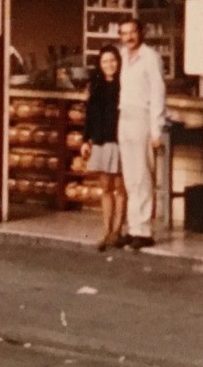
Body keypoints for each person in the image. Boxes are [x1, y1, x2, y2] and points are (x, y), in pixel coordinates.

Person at [116, 16, 167, 250]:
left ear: (141, 32)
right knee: (130, 177)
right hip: (124, 117)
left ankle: (144, 229)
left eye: (132, 32)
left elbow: (158, 93)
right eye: (124, 33)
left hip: (142, 118)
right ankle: (133, 227)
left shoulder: (150, 57)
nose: (129, 37)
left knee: (143, 175)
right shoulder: (122, 56)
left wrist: (156, 130)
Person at [81, 45, 126, 251]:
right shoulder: (95, 85)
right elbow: (89, 115)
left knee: (120, 187)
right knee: (105, 188)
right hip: (100, 141)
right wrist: (85, 140)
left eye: (113, 60)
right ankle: (106, 231)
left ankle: (117, 231)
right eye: (105, 61)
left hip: (120, 140)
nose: (110, 65)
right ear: (100, 64)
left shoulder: (125, 84)